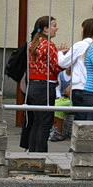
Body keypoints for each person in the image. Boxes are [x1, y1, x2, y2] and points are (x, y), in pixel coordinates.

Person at [20, 16, 66, 152]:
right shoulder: (48, 45)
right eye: (54, 25)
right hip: (45, 86)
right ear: (45, 29)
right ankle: (41, 153)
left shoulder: (32, 44)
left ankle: (33, 152)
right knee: (45, 123)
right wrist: (62, 57)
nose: (56, 28)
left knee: (36, 121)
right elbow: (56, 67)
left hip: (32, 86)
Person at [57, 17, 93, 120]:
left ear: (86, 29)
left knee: (81, 120)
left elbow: (63, 63)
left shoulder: (80, 45)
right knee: (91, 118)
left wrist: (60, 52)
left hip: (80, 87)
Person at [50, 69, 71, 142]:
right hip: (61, 98)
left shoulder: (76, 74)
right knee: (54, 103)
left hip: (70, 99)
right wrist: (59, 96)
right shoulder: (61, 74)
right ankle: (54, 127)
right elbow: (58, 88)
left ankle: (58, 131)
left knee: (58, 106)